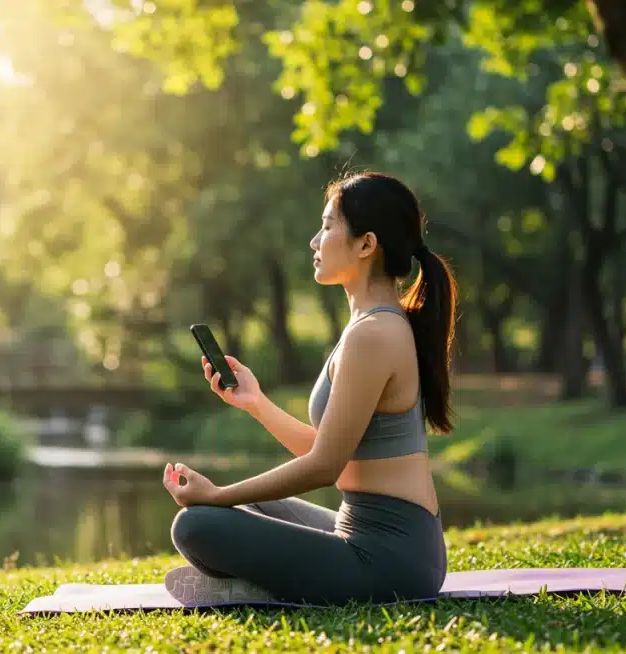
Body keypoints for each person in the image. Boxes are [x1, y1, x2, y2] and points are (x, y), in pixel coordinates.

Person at [161, 170, 458, 607]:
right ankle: (267, 584)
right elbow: (331, 453)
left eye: (326, 226)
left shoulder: (374, 334)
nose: (314, 242)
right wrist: (256, 402)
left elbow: (323, 467)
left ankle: (259, 588)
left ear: (365, 244)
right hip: (365, 535)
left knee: (197, 525)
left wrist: (217, 494)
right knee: (234, 512)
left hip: (393, 561)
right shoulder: (369, 326)